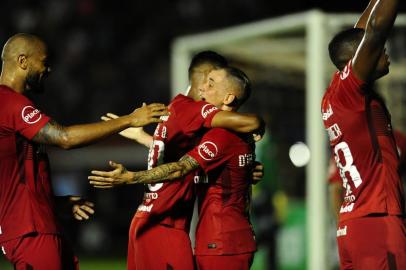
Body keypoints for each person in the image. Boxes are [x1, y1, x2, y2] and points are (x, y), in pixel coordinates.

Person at [0, 33, 167, 270]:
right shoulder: (10, 103)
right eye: (44, 61)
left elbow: (10, 179)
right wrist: (130, 120)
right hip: (31, 232)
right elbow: (65, 138)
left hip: (33, 225)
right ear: (23, 61)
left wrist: (52, 204)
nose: (49, 69)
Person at [91, 51, 264, 270]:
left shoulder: (177, 108)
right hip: (167, 226)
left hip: (155, 222)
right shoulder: (197, 111)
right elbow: (249, 123)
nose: (205, 88)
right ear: (202, 76)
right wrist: (259, 125)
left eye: (212, 84)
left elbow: (180, 155)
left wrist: (144, 138)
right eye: (208, 81)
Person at [322, 0, 406, 268]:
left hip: (353, 226)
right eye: (378, 49)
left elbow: (362, 31)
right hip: (378, 221)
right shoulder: (350, 92)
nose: (384, 51)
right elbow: (374, 30)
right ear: (355, 60)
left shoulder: (335, 92)